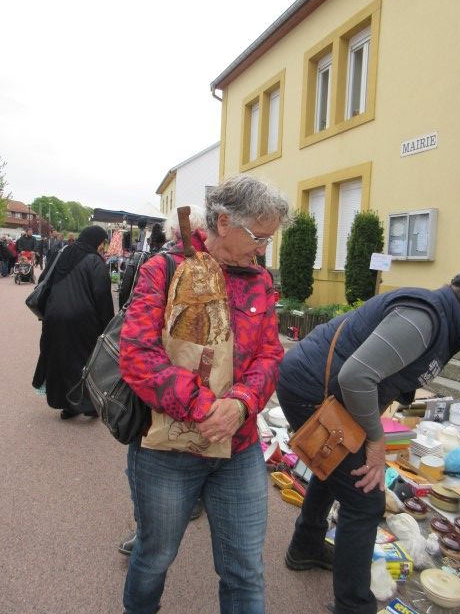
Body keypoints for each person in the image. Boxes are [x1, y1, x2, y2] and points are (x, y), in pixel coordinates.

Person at [119, 175, 289, 614]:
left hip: (240, 448)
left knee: (245, 571)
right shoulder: (164, 268)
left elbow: (271, 353)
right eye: (258, 237)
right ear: (224, 221)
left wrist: (242, 404)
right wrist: (204, 407)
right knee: (155, 556)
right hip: (168, 452)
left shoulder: (260, 279)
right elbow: (137, 354)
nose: (262, 250)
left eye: (268, 240)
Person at [276, 267, 460, 614]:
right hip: (311, 389)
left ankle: (305, 547)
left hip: (327, 391)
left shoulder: (438, 316)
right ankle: (353, 606)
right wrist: (375, 438)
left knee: (337, 469)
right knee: (365, 499)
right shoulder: (424, 319)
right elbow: (356, 376)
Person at [117, 215, 204, 556]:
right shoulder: (200, 266)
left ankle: (146, 531)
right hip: (193, 374)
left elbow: (127, 302)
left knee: (146, 451)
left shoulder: (158, 262)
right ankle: (177, 511)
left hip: (159, 377)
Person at [32, 226, 114, 419]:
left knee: (60, 360)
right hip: (83, 320)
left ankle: (67, 405)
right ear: (96, 241)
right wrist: (108, 325)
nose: (102, 247)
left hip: (54, 316)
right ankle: (88, 405)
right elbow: (101, 294)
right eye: (102, 243)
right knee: (85, 361)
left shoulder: (62, 253)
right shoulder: (94, 260)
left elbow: (44, 280)